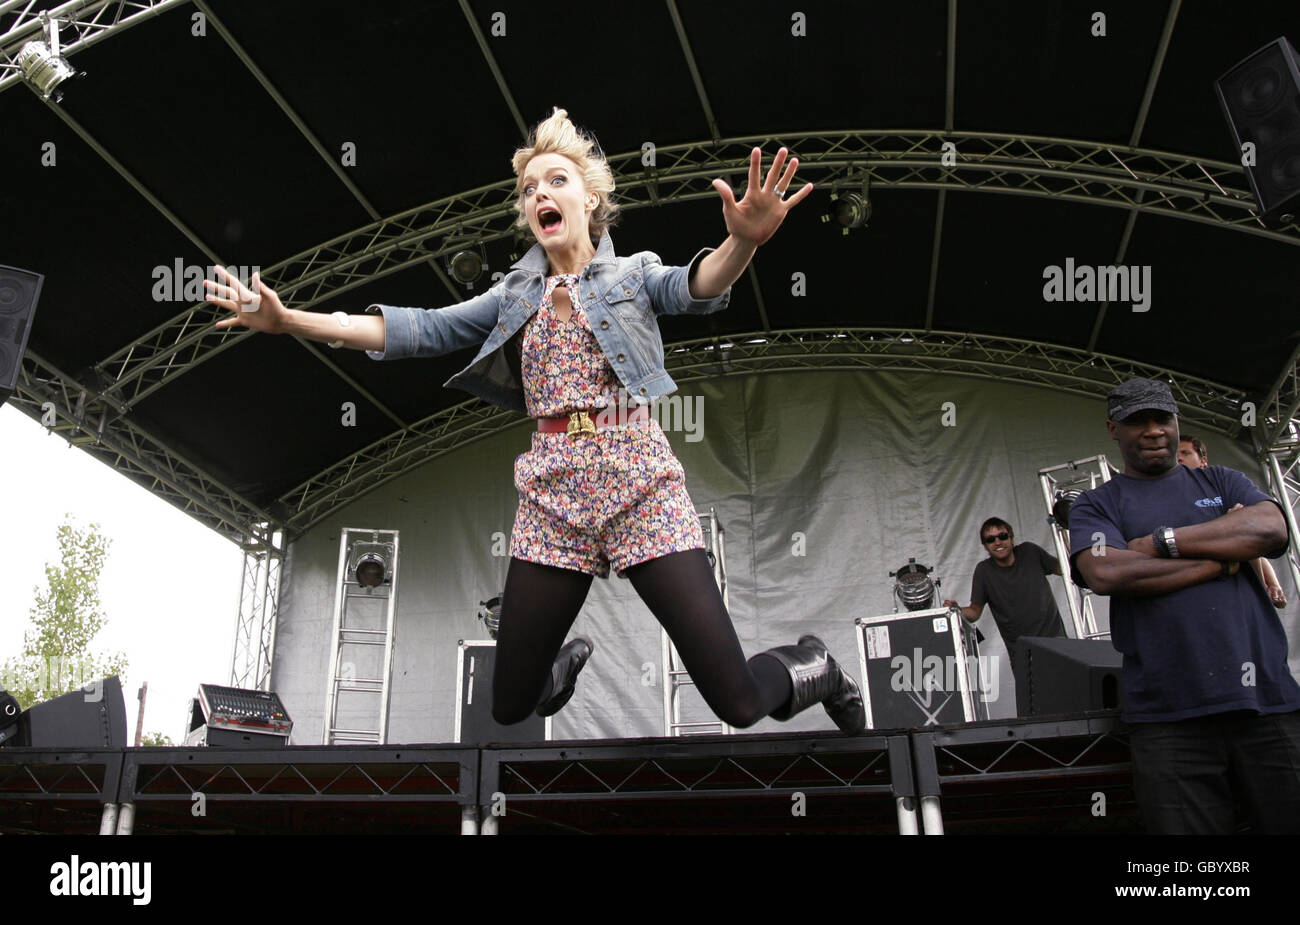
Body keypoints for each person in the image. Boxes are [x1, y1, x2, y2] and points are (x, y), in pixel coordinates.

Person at [204, 109, 865, 735]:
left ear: (589, 199)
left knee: (739, 701)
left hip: (639, 481)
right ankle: (560, 662)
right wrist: (289, 320)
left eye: (556, 180)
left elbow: (699, 285)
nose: (539, 194)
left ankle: (816, 664)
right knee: (511, 701)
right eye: (528, 189)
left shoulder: (632, 276)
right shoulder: (513, 296)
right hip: (554, 491)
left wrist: (742, 241)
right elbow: (417, 328)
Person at [1067, 377, 1300, 834]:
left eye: (1162, 419)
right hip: (1167, 717)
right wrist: (1224, 560)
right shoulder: (1096, 505)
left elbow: (1272, 530)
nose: (1153, 431)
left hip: (1267, 702)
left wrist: (1161, 543)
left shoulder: (1221, 479)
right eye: (1138, 421)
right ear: (1113, 428)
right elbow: (1107, 572)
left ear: (1177, 422)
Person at [944, 518, 1067, 704]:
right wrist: (957, 610)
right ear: (985, 546)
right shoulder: (984, 571)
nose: (998, 542)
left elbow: (1065, 567)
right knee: (1037, 707)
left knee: (1068, 695)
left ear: (1011, 537)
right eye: (990, 539)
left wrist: (1066, 533)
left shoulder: (1030, 551)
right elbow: (975, 612)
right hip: (1024, 654)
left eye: (1002, 536)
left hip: (1056, 642)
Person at [1179, 433, 1287, 608]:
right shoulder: (1167, 497)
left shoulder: (1223, 484)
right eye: (1175, 455)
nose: (1179, 458)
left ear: (1203, 460)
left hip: (1241, 593)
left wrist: (1272, 584)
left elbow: (1254, 544)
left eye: (1186, 453)